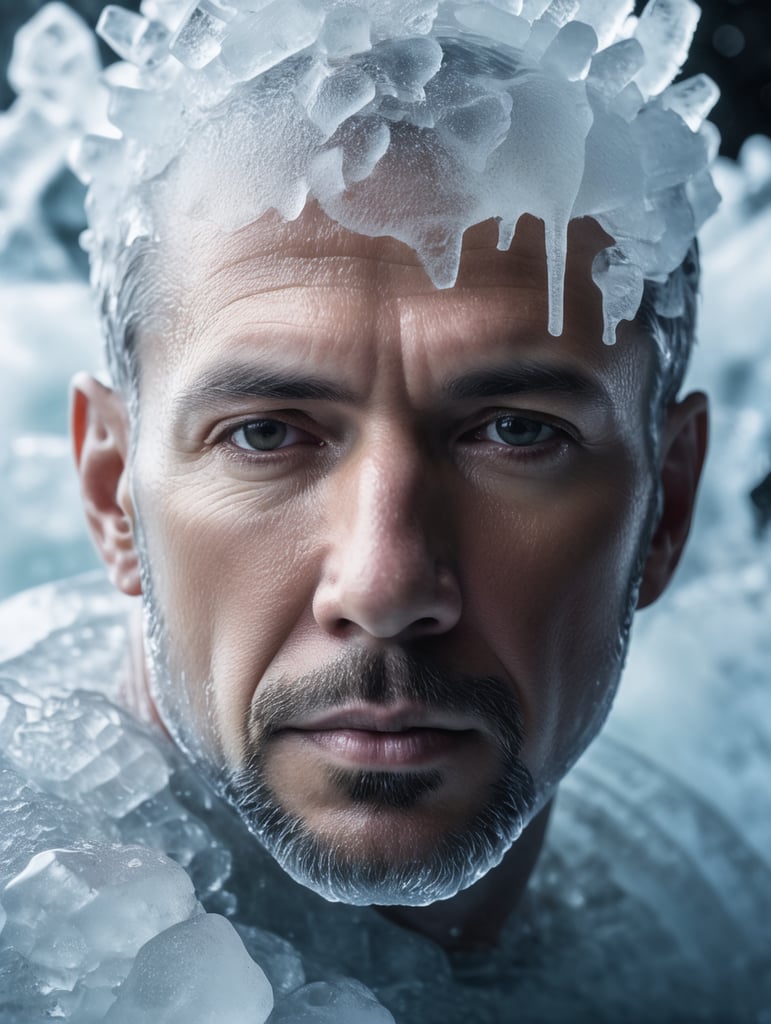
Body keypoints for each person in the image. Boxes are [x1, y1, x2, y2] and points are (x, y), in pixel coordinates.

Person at [64, 0, 718, 951]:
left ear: (668, 506)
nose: (384, 585)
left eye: (511, 432)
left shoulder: (704, 921)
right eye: (263, 436)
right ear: (112, 496)